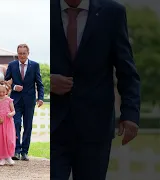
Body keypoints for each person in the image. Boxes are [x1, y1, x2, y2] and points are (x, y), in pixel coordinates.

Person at [51, 0, 141, 179]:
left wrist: (130, 114)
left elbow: (126, 70)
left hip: (95, 127)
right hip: (53, 127)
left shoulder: (112, 12)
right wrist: (48, 81)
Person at [5, 44, 44, 161]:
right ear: (17, 54)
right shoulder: (12, 65)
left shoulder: (35, 65)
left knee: (28, 126)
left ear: (28, 53)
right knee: (16, 124)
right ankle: (16, 151)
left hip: (29, 100)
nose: (22, 56)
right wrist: (14, 86)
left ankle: (24, 152)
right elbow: (6, 80)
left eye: (24, 53)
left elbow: (39, 83)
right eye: (20, 53)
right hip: (15, 101)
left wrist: (40, 98)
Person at [0, 81, 16, 166]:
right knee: (0, 139)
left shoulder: (9, 100)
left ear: (7, 91)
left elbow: (14, 111)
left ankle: (8, 156)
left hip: (8, 122)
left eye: (3, 92)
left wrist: (11, 114)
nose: (1, 93)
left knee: (9, 139)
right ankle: (2, 158)